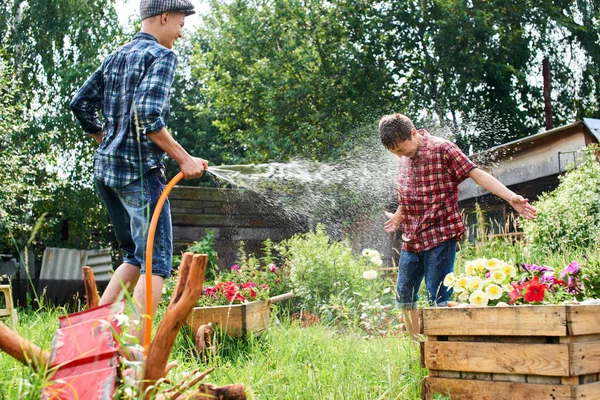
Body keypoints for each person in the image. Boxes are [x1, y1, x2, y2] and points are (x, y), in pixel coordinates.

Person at [70, 0, 207, 344]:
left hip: (105, 172)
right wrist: (184, 158)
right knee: (155, 263)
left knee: (135, 255)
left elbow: (80, 103)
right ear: (163, 17)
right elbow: (149, 118)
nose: (181, 31)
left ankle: (90, 337)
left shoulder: (116, 55)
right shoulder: (161, 56)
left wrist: (106, 139)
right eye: (180, 23)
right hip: (139, 174)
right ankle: (135, 351)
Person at [378, 114, 537, 341]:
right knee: (404, 295)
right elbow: (408, 192)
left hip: (440, 235)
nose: (401, 156)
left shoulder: (443, 149)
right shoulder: (402, 156)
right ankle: (417, 348)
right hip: (411, 238)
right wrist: (399, 215)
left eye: (403, 150)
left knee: (438, 298)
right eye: (396, 153)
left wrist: (511, 198)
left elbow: (477, 174)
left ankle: (444, 347)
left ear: (414, 133)